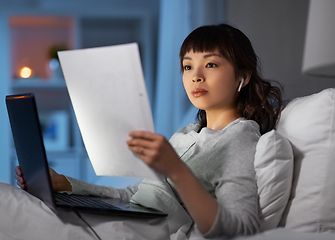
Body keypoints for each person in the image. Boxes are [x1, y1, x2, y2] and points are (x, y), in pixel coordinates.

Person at [14, 23, 283, 239]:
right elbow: (134, 197)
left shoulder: (240, 137)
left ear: (243, 77)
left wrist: (176, 170)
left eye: (211, 64)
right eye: (188, 66)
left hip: (144, 231)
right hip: (127, 219)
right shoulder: (187, 134)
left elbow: (241, 228)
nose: (195, 76)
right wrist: (68, 185)